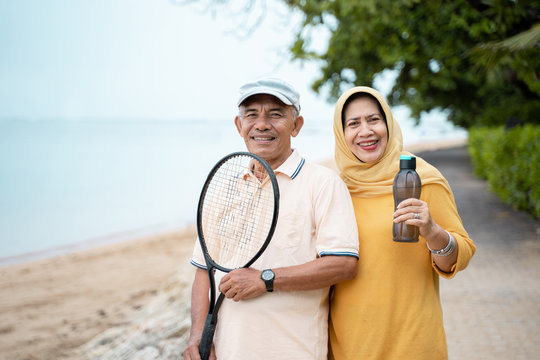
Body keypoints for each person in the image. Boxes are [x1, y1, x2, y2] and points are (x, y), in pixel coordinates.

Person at [182, 77, 360, 360]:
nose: (262, 124)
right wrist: (197, 335)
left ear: (296, 125)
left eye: (276, 114)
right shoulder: (222, 189)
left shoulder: (324, 183)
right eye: (251, 114)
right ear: (239, 126)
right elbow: (204, 272)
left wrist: (265, 279)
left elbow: (343, 265)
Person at [328, 86, 476, 360]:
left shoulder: (422, 179)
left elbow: (460, 256)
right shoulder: (334, 189)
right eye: (353, 124)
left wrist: (433, 233)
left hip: (413, 342)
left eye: (374, 119)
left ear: (388, 123)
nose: (365, 131)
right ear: (341, 133)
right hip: (349, 344)